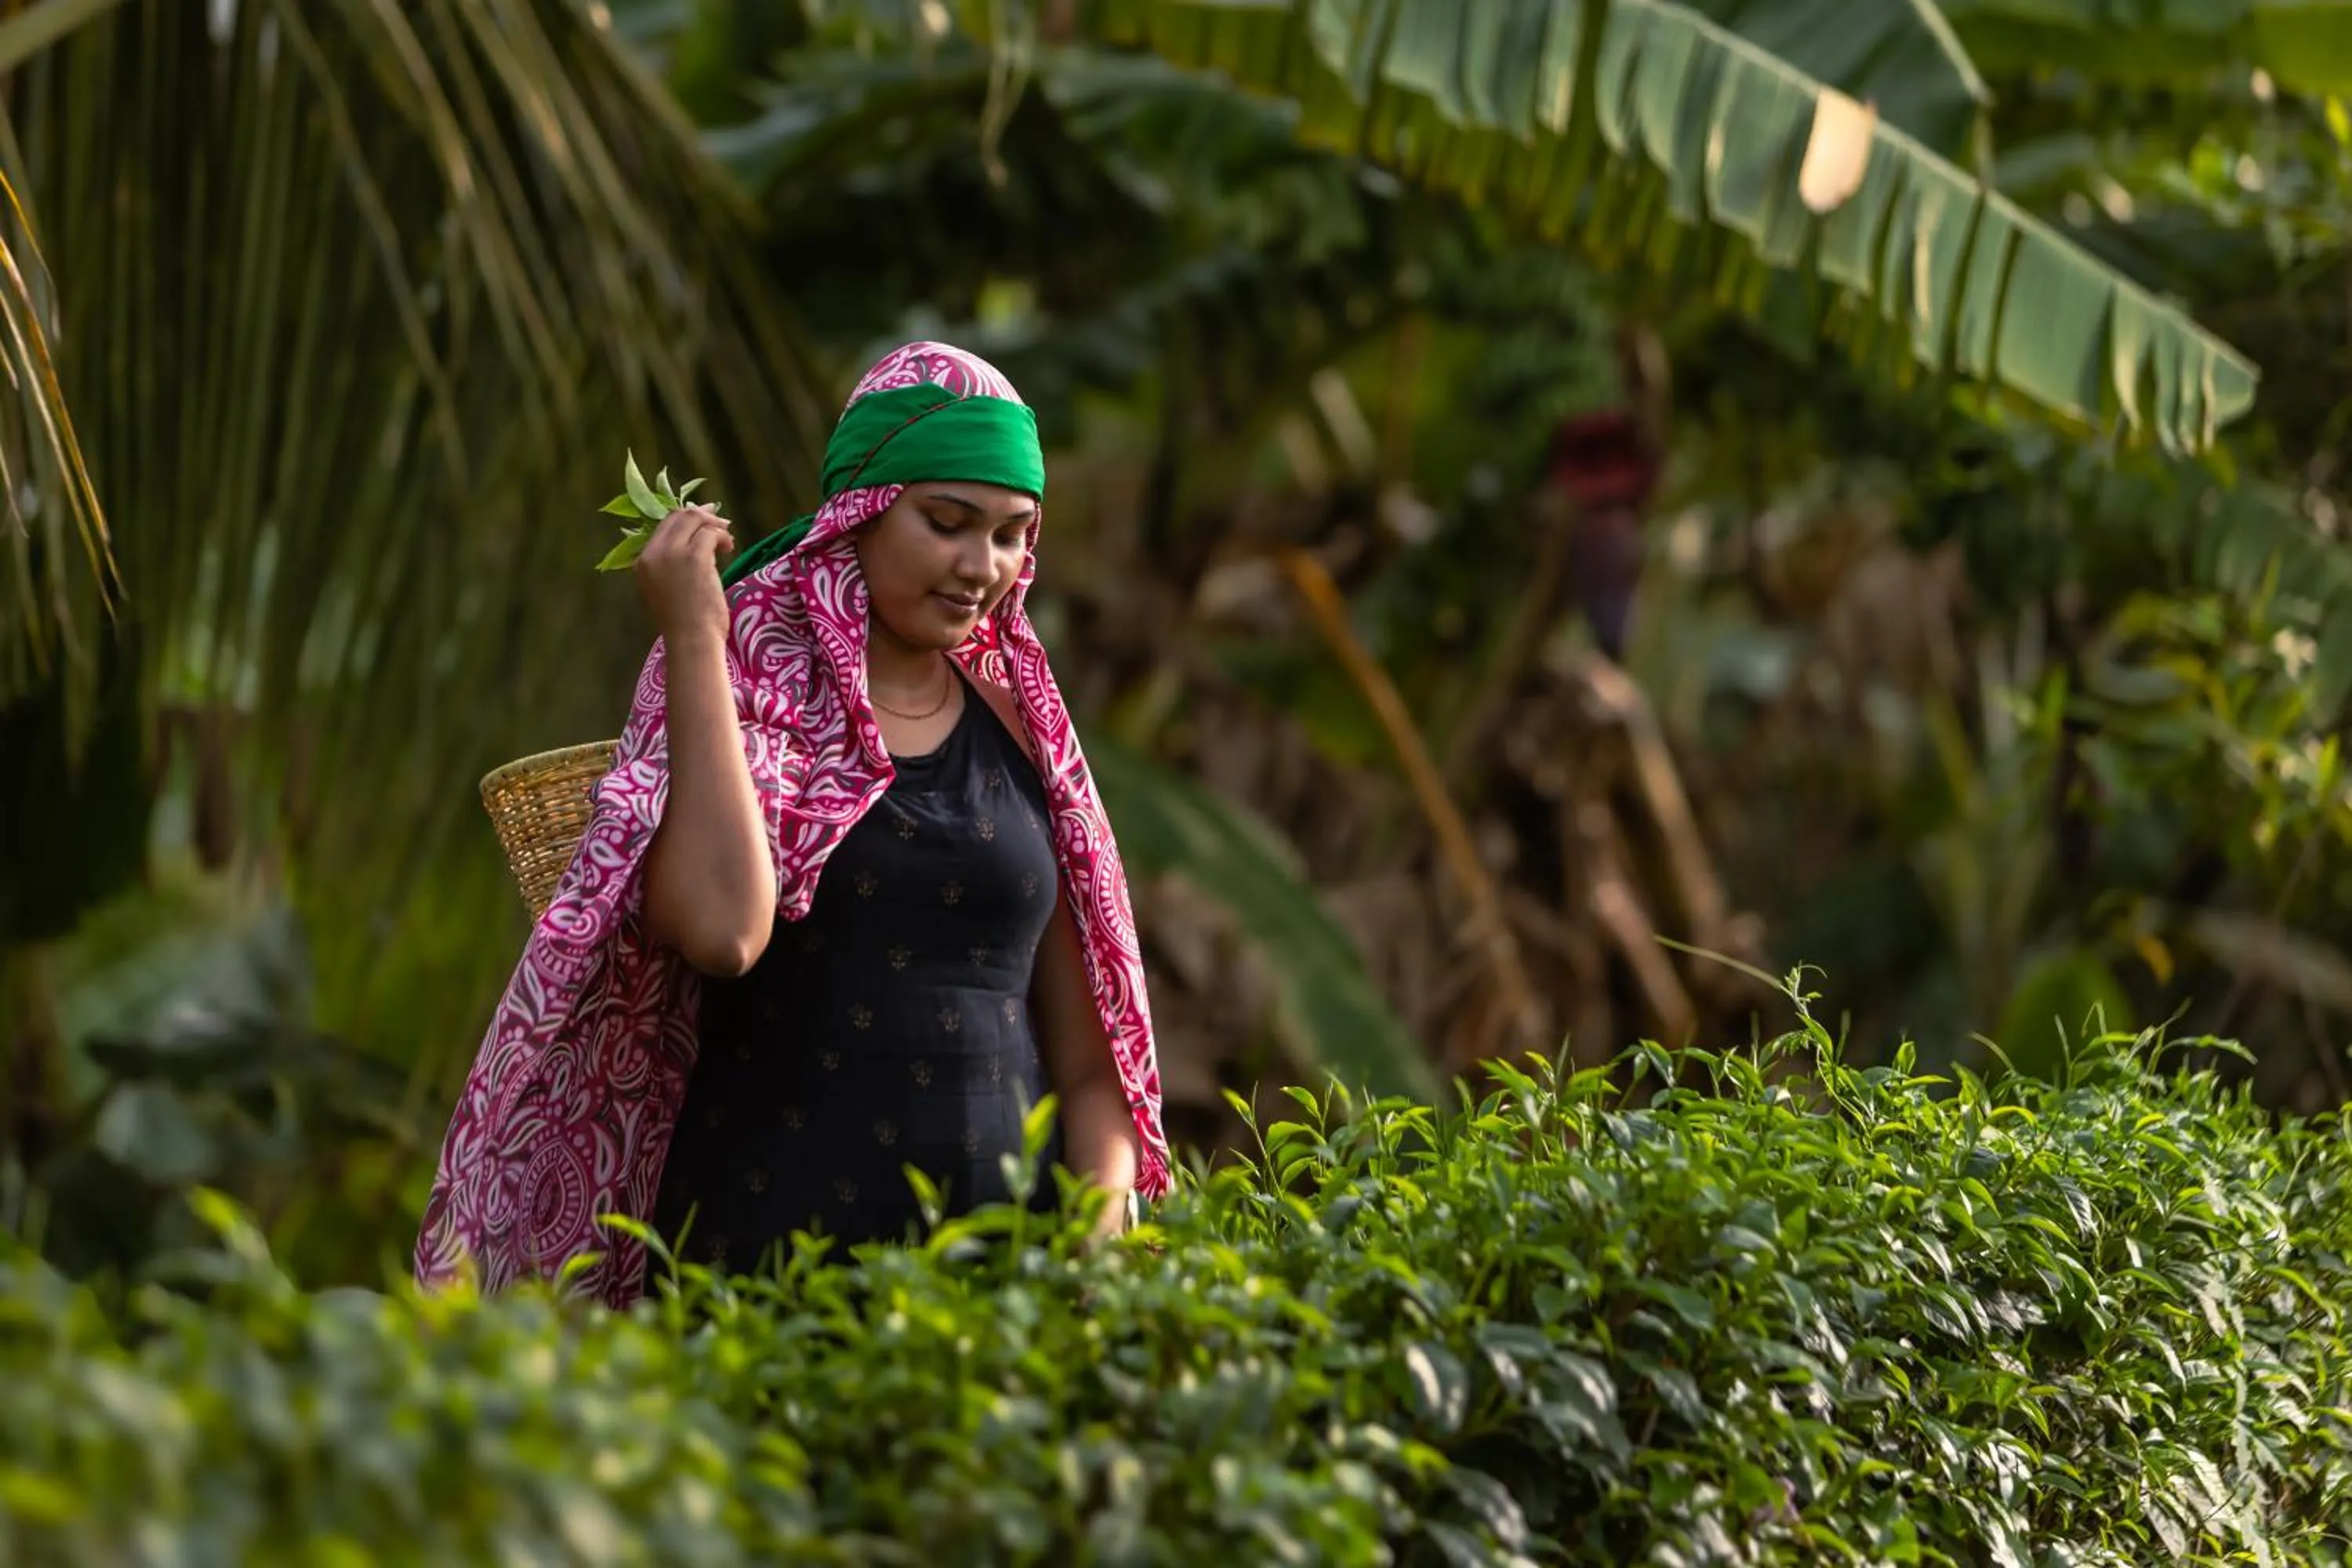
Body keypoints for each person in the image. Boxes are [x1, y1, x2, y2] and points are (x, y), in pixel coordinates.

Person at [414, 343, 1169, 1305]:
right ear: (861, 510)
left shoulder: (1024, 732)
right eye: (948, 523)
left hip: (999, 1314)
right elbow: (724, 932)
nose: (982, 566)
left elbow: (1092, 1064)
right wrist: (697, 631)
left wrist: (1094, 1250)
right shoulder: (753, 704)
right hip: (761, 1294)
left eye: (1013, 534)